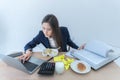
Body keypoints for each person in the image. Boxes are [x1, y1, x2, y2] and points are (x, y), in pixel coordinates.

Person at [19, 14, 85, 62]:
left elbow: (69, 42)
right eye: (43, 28)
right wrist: (28, 52)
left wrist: (77, 48)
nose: (45, 32)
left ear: (55, 29)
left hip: (63, 57)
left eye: (49, 29)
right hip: (51, 58)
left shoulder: (64, 30)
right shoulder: (41, 34)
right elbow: (29, 45)